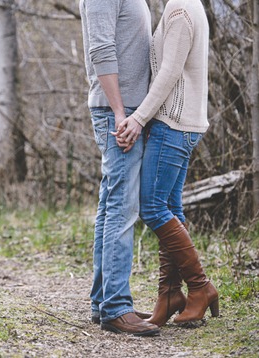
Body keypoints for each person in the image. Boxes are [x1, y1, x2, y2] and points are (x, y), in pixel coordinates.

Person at [115, 0, 219, 327]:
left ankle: (200, 287)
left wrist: (138, 118)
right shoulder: (189, 5)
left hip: (172, 125)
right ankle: (171, 294)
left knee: (153, 207)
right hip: (182, 125)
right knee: (169, 208)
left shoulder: (180, 10)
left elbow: (170, 72)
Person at [78, 0, 160, 336]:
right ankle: (115, 306)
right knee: (122, 209)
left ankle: (104, 302)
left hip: (129, 109)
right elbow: (101, 49)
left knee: (112, 205)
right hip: (120, 111)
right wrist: (119, 112)